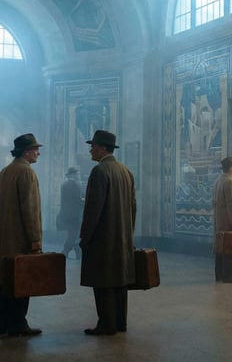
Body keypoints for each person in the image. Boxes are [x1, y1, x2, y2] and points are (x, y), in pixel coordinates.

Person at [79, 130, 136, 336]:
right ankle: (120, 322)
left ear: (103, 148)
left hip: (103, 238)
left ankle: (106, 324)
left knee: (102, 282)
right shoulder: (125, 171)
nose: (90, 150)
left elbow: (93, 209)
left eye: (93, 146)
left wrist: (85, 237)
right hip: (122, 237)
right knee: (120, 281)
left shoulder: (100, 171)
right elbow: (133, 207)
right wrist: (129, 233)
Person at [0, 133, 44, 338]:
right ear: (26, 152)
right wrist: (35, 240)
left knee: (5, 283)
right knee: (22, 282)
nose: (38, 153)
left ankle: (4, 325)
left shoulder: (5, 172)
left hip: (4, 239)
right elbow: (30, 211)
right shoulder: (27, 172)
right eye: (35, 149)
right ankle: (19, 325)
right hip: (21, 240)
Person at [213, 156, 232, 283]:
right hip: (227, 222)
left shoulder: (217, 181)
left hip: (219, 221)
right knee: (229, 248)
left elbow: (213, 202)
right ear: (230, 168)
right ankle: (228, 275)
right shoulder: (229, 182)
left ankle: (218, 274)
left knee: (220, 248)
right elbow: (231, 205)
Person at [59, 167, 84, 259]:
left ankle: (77, 254)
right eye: (78, 174)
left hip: (66, 214)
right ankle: (65, 252)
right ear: (73, 174)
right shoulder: (76, 184)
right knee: (74, 235)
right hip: (75, 214)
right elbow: (78, 199)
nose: (79, 176)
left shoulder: (64, 184)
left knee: (73, 234)